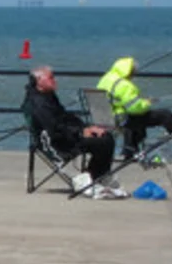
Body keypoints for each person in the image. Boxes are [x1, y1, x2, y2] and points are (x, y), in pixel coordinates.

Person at [24, 65, 128, 199]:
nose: (55, 80)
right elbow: (54, 128)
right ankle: (94, 177)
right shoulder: (38, 102)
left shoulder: (48, 96)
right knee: (102, 142)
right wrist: (80, 132)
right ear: (38, 81)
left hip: (66, 135)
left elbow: (65, 117)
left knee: (105, 136)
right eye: (51, 78)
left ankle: (99, 176)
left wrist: (86, 128)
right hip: (56, 143)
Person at [97, 57, 172, 163]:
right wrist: (147, 103)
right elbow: (135, 108)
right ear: (129, 71)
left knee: (139, 120)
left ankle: (130, 150)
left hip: (106, 118)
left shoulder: (106, 79)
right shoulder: (125, 85)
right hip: (122, 120)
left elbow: (119, 102)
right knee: (166, 115)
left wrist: (140, 102)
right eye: (134, 72)